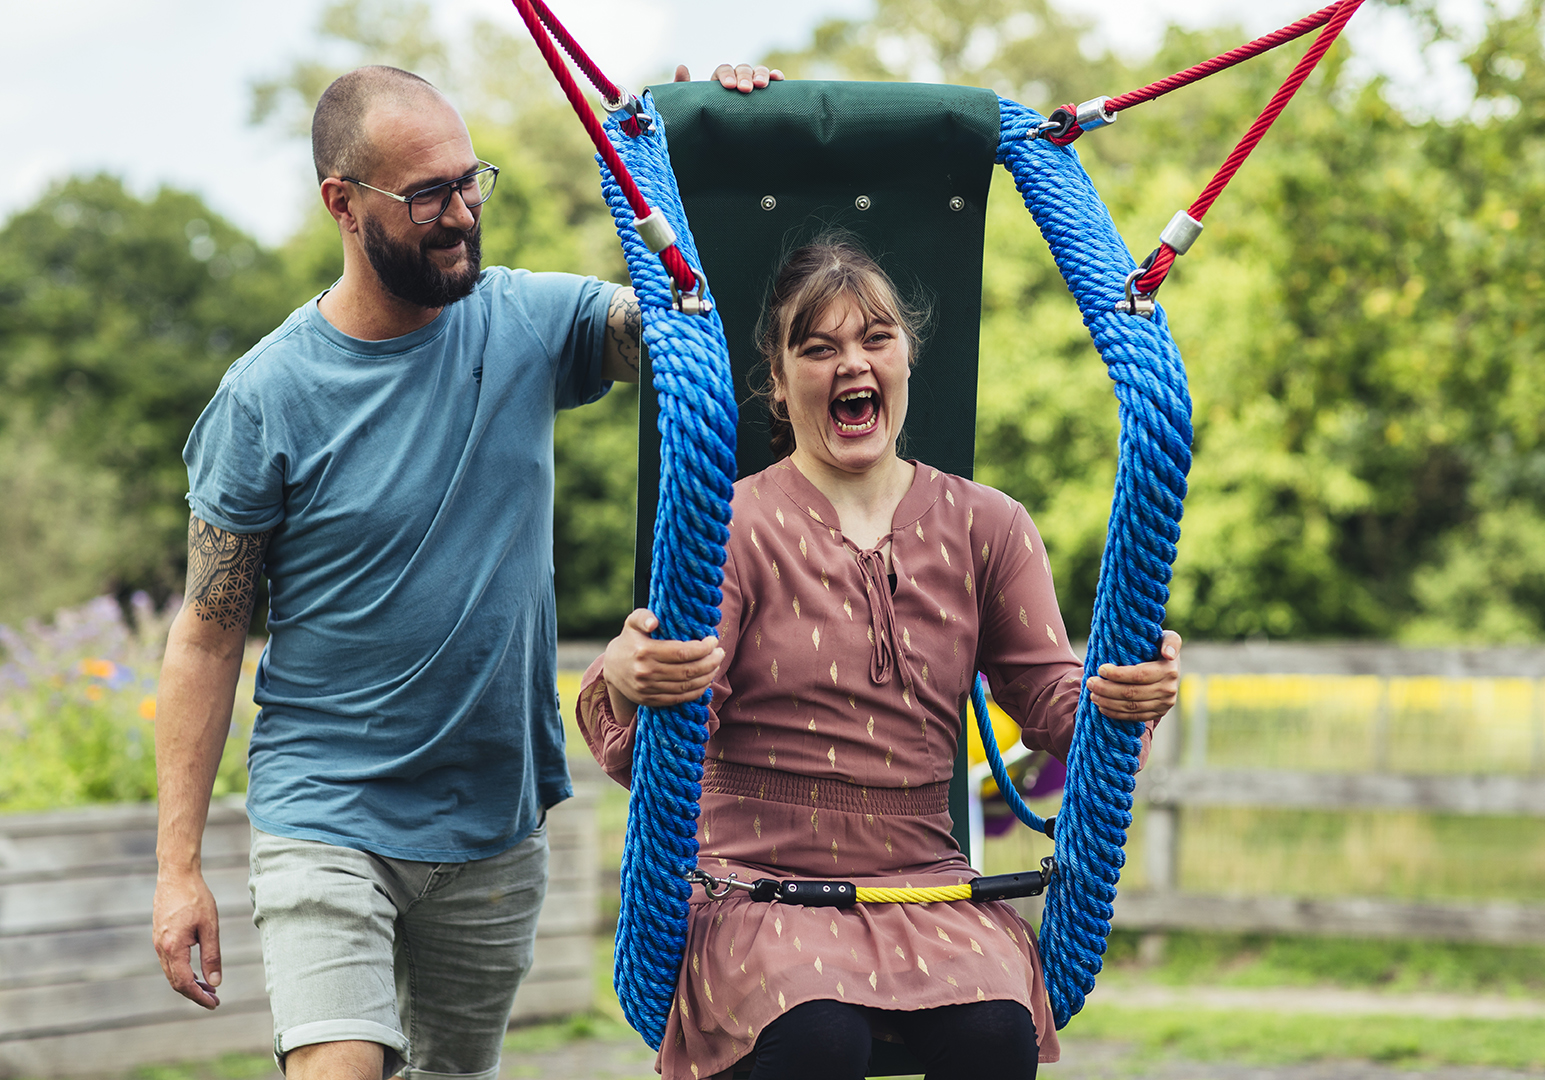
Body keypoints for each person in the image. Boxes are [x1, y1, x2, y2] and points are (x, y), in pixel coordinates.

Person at [151, 62, 781, 1080]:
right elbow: (207, 633)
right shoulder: (267, 396)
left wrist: (717, 137)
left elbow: (693, 320)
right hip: (328, 816)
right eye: (426, 195)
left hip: (493, 824)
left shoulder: (528, 319)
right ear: (342, 203)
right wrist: (177, 868)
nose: (460, 214)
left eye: (468, 180)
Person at [577, 238, 1182, 1080]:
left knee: (996, 1034)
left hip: (922, 881)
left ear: (906, 357)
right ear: (778, 382)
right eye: (818, 348)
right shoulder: (732, 527)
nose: (852, 363)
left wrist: (1122, 696)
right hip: (757, 883)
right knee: (819, 1037)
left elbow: (1048, 693)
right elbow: (668, 734)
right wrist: (629, 679)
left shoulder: (988, 525)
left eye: (875, 338)